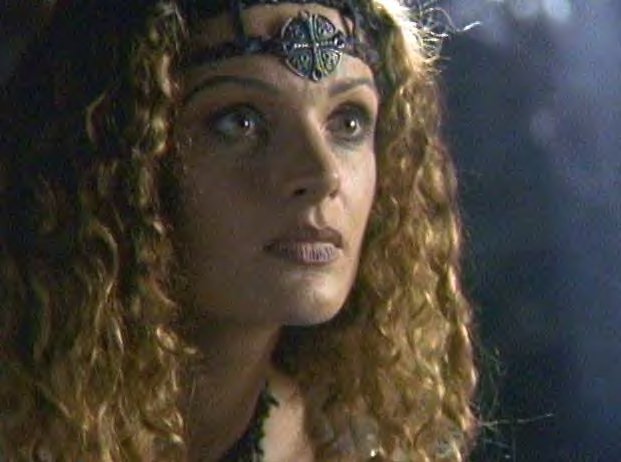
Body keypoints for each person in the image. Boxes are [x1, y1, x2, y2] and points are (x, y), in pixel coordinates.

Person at [0, 0, 477, 460]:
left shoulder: (354, 446)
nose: (322, 173)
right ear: (120, 161)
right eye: (242, 121)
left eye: (347, 122)